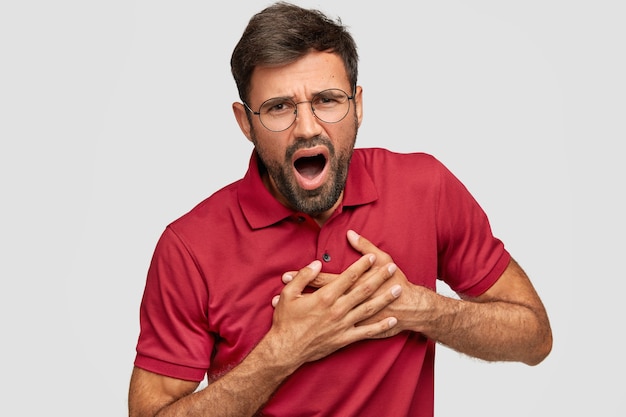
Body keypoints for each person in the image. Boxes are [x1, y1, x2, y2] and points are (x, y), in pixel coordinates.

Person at [128, 2, 553, 416]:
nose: (308, 127)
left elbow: (534, 336)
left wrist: (419, 308)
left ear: (358, 105)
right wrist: (281, 353)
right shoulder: (189, 246)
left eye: (327, 100)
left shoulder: (426, 188)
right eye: (279, 108)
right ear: (246, 123)